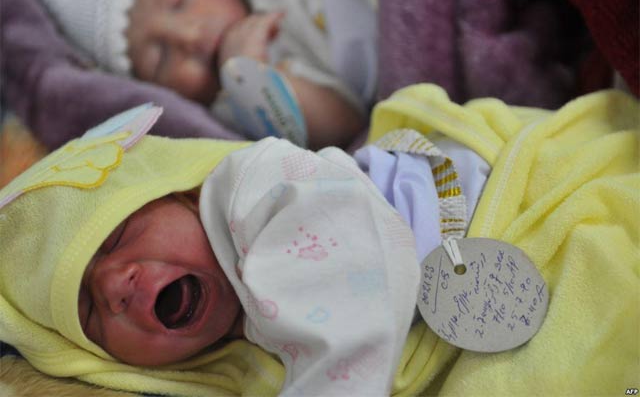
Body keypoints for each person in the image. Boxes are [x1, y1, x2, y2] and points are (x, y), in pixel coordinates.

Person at [0, 84, 637, 396]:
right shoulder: (230, 357)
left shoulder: (257, 188)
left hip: (501, 208)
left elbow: (346, 295)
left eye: (117, 234)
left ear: (180, 194)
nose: (115, 283)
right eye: (86, 310)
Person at [32, 0, 377, 149]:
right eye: (160, 58)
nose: (187, 36)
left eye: (179, 1)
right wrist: (251, 76)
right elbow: (346, 125)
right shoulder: (229, 111)